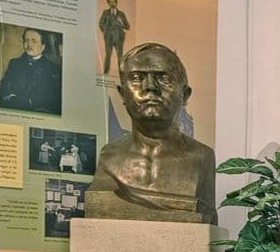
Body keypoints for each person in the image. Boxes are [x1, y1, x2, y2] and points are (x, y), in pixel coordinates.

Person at [87, 42, 215, 222]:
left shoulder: (202, 158)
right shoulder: (108, 157)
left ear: (185, 95)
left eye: (163, 79)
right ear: (123, 94)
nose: (150, 87)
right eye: (137, 78)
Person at [0, 28, 64, 114]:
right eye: (26, 40)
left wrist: (30, 101)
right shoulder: (14, 64)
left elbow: (57, 101)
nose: (29, 44)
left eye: (34, 41)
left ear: (43, 46)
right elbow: (3, 87)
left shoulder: (54, 69)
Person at [99, 0, 130, 76]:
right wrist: (105, 30)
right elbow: (101, 23)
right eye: (110, 1)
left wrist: (121, 23)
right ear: (108, 3)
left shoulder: (121, 14)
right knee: (108, 55)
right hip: (108, 38)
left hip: (119, 38)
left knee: (120, 56)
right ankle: (105, 73)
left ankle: (121, 75)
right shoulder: (105, 12)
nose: (112, 3)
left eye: (114, 1)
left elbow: (127, 26)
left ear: (116, 2)